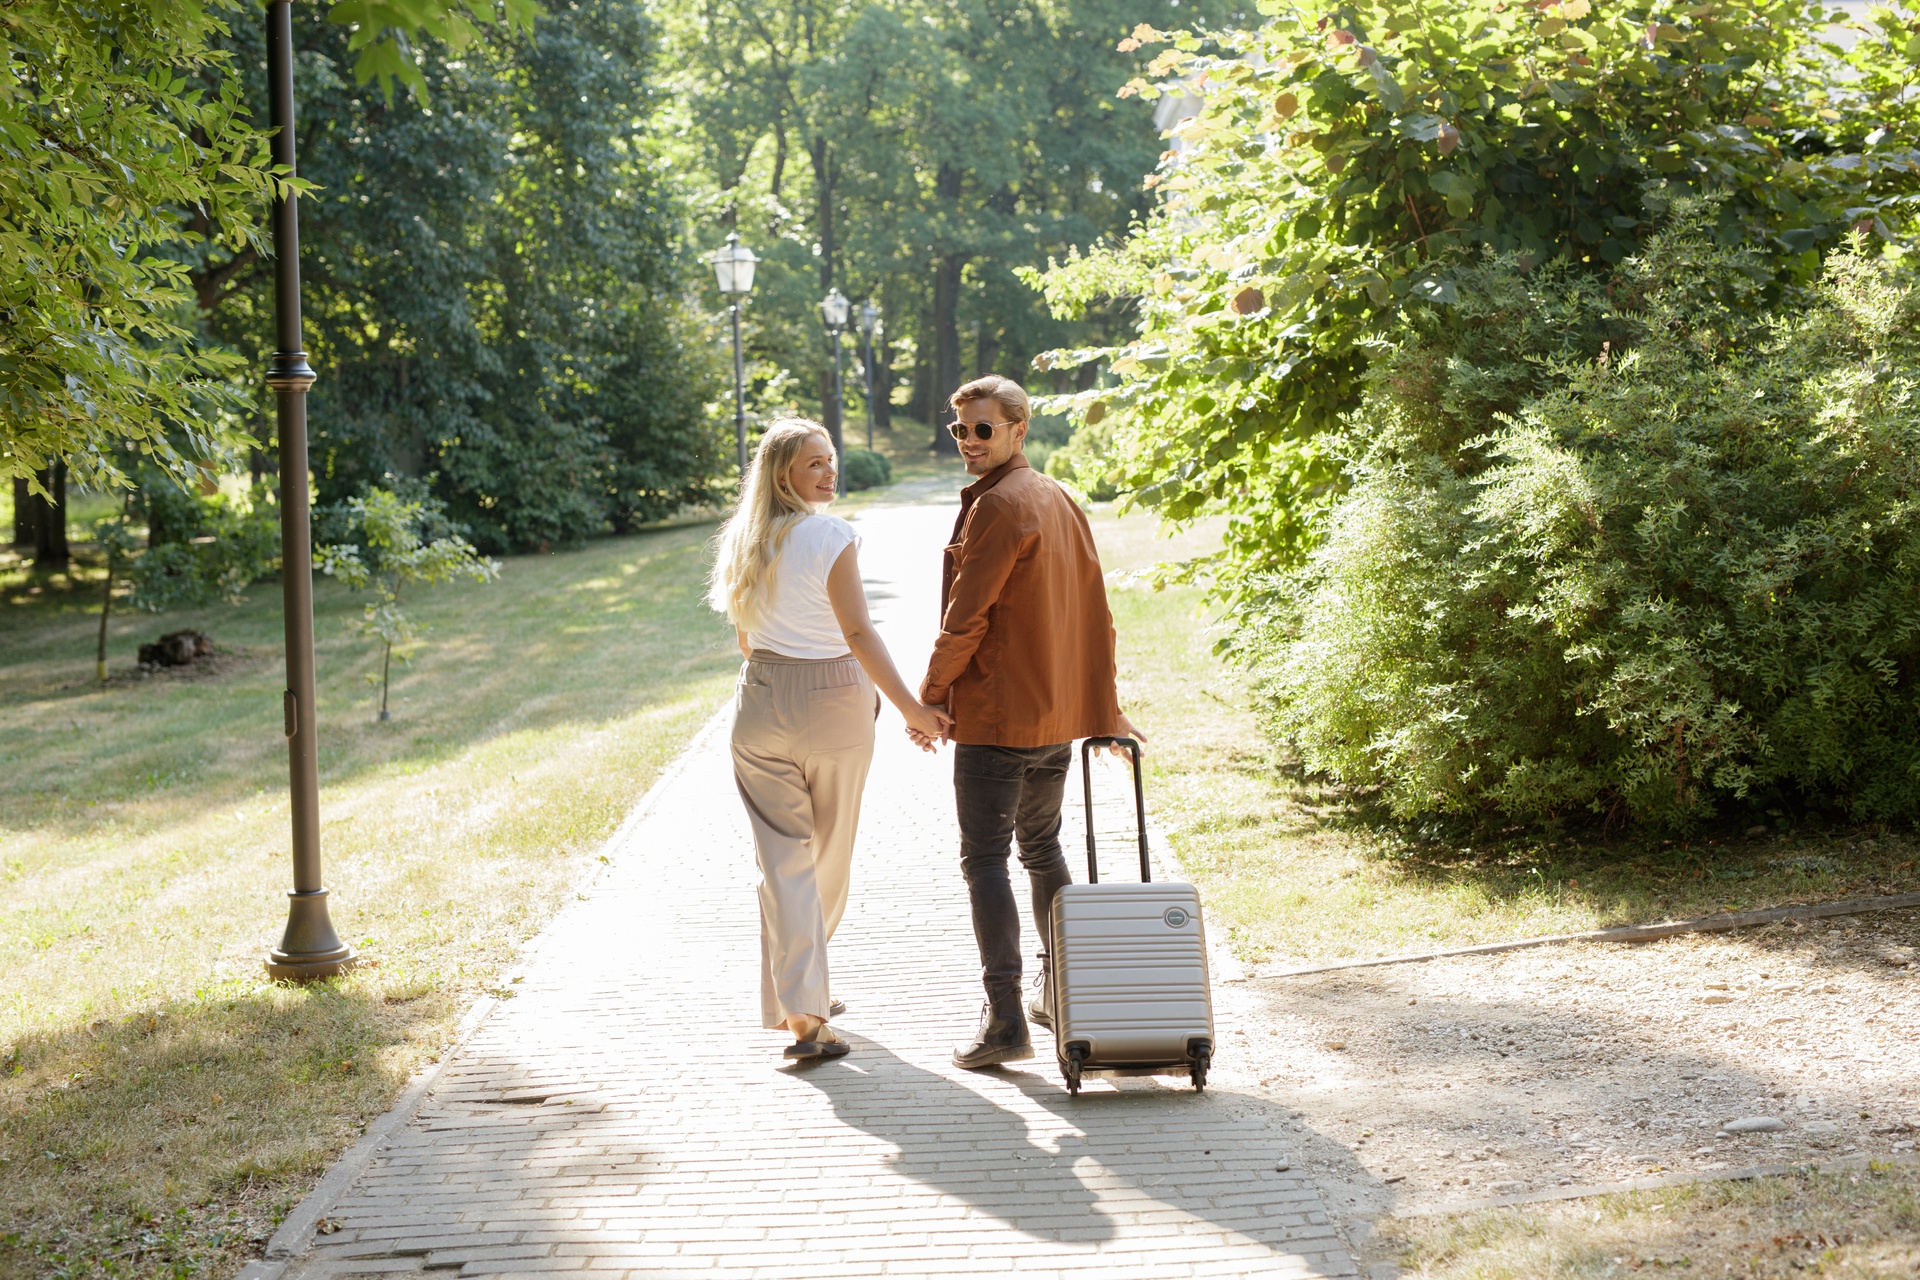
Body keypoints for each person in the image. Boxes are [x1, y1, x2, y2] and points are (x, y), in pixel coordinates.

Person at [915, 376, 1145, 1069]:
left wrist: (929, 698)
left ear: (1019, 429)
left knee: (985, 859)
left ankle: (1006, 1020)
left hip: (997, 718)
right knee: (1041, 849)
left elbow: (966, 617)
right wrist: (1103, 706)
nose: (969, 442)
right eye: (960, 430)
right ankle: (1064, 995)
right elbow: (1096, 617)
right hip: (1053, 723)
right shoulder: (1056, 497)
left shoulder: (1001, 507)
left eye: (983, 429)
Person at [709, 418, 951, 1060]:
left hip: (758, 699)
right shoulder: (830, 534)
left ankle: (799, 1001)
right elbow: (860, 634)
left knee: (782, 862)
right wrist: (913, 710)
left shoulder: (744, 537)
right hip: (831, 700)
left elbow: (743, 635)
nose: (828, 471)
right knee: (827, 856)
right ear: (782, 472)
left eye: (830, 459)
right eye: (814, 463)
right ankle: (807, 1005)